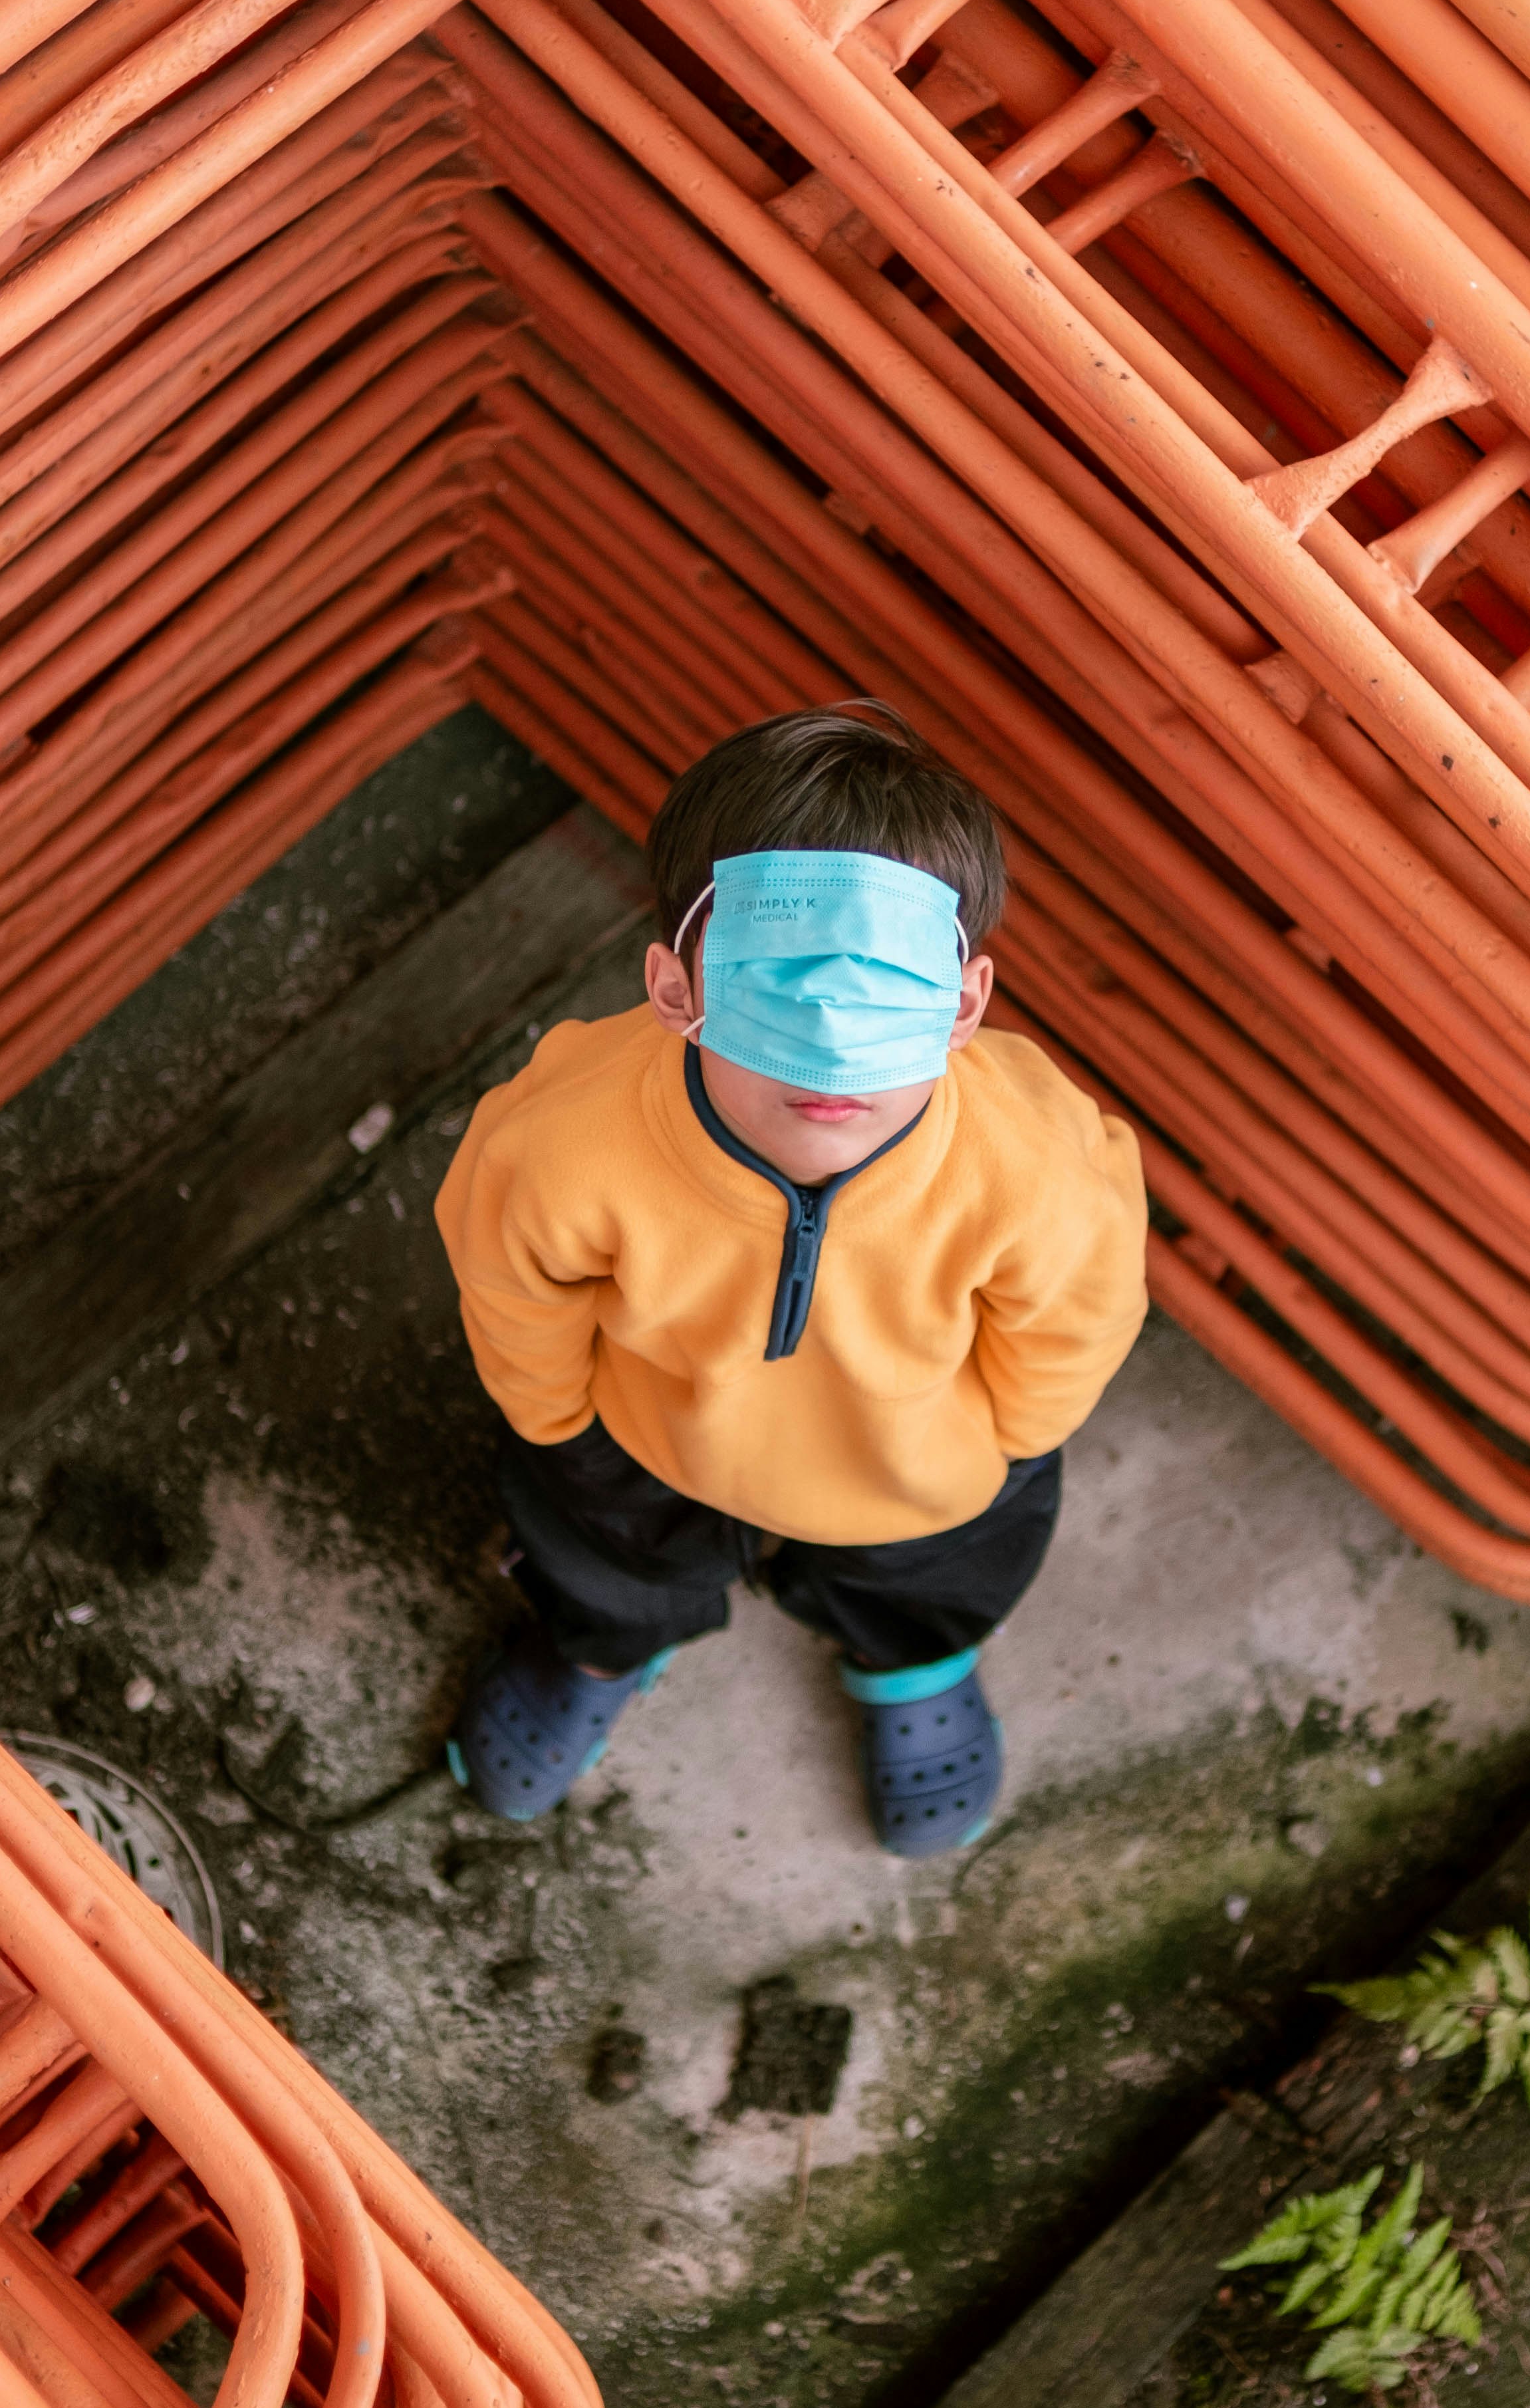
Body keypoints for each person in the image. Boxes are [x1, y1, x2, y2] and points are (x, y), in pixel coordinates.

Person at [433, 705, 1147, 1856]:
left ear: (963, 1005)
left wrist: (1011, 1435)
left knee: (934, 1570)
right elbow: (511, 1273)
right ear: (676, 986)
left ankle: (911, 1657)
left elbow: (1083, 1302)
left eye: (882, 985)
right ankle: (601, 1641)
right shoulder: (563, 1138)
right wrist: (554, 1417)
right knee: (601, 1555)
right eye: (782, 981)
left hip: (915, 1472)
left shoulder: (1034, 1163)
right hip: (643, 1440)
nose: (829, 1034)